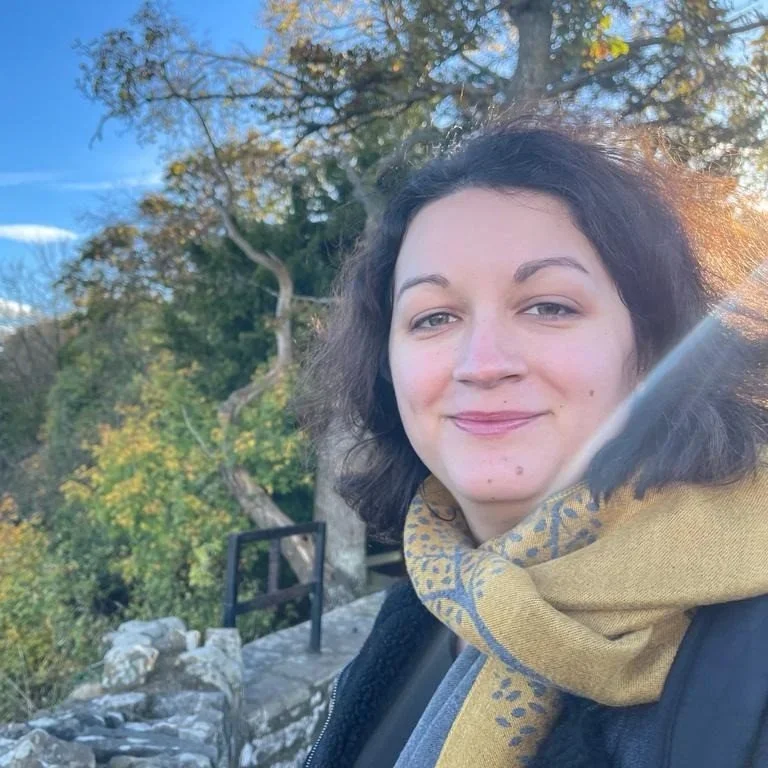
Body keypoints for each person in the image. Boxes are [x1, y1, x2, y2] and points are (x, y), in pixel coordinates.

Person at [297, 119, 768, 767]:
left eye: (549, 306)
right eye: (434, 317)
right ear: (389, 363)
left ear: (654, 344)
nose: (482, 363)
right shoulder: (427, 602)